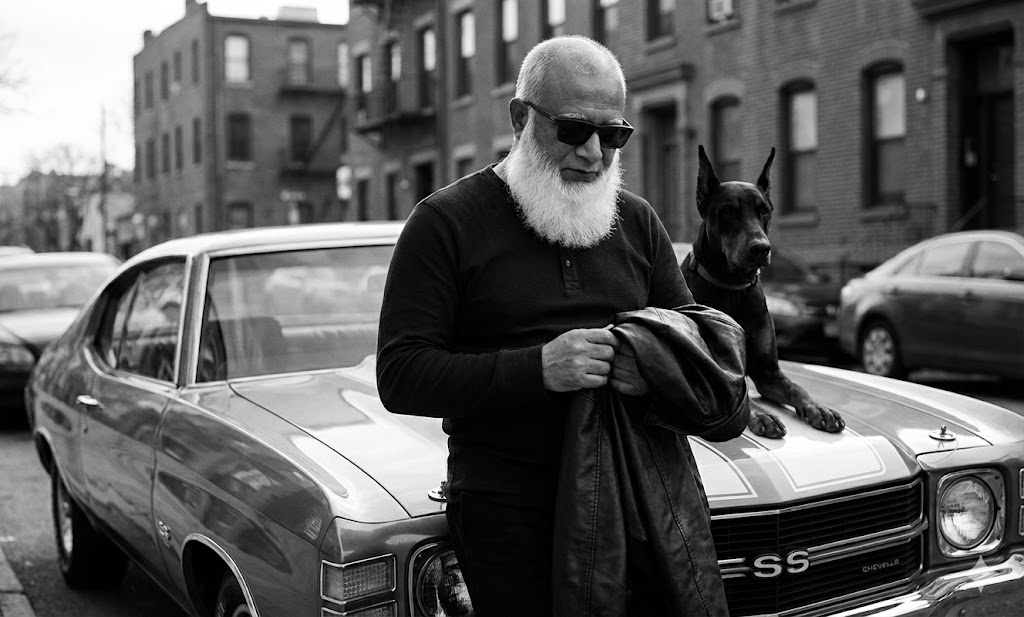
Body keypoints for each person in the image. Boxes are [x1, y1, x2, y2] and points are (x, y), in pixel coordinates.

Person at [376, 35, 698, 615]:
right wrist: (540, 369)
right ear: (521, 117)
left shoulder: (639, 222)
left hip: (635, 496)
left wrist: (648, 363)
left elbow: (690, 340)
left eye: (614, 134)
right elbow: (401, 375)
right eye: (573, 130)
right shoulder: (444, 223)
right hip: (509, 508)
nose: (594, 153)